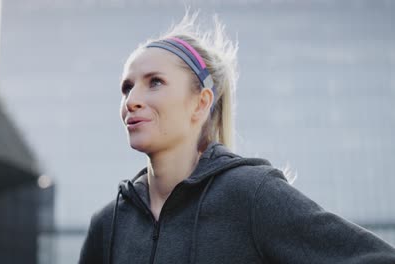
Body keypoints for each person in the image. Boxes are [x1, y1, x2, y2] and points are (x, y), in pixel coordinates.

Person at [79, 12, 395, 264]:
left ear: (201, 103)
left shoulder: (251, 196)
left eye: (155, 82)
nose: (132, 99)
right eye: (127, 87)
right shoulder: (108, 224)